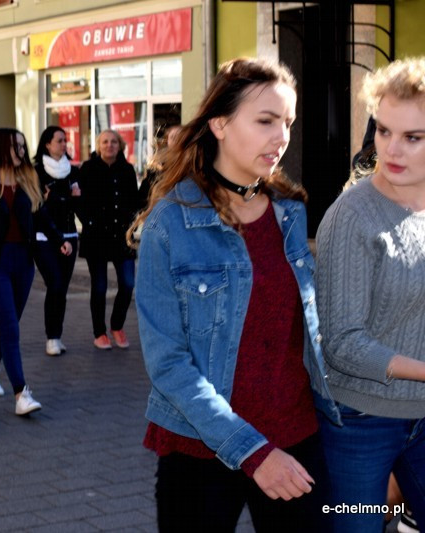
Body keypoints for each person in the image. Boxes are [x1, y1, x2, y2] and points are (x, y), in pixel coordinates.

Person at [132, 57, 337, 532]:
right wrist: (253, 452)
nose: (281, 136)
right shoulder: (170, 223)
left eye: (288, 122)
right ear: (220, 124)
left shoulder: (290, 212)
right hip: (198, 451)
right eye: (265, 121)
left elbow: (312, 335)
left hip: (294, 441)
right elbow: (168, 364)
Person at [315, 57, 425, 533]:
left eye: (413, 137)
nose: (391, 149)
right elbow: (341, 343)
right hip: (360, 421)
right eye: (383, 131)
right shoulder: (352, 216)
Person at [0, 128, 72, 414]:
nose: (22, 152)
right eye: (17, 147)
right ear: (3, 148)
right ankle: (21, 394)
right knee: (11, 327)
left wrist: (59, 240)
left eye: (24, 147)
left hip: (24, 263)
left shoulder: (28, 180)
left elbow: (41, 216)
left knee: (8, 323)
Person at [77, 129, 139, 350]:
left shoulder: (127, 169)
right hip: (97, 237)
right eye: (105, 142)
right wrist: (89, 221)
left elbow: (134, 200)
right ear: (98, 145)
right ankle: (99, 332)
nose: (109, 145)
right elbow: (79, 201)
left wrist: (131, 221)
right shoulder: (88, 168)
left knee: (128, 283)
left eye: (113, 142)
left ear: (120, 145)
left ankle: (117, 326)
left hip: (122, 236)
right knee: (100, 287)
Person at [32, 126, 81, 356]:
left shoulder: (73, 170)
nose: (64, 144)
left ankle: (57, 336)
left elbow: (78, 203)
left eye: (65, 140)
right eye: (59, 140)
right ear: (47, 144)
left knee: (62, 289)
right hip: (44, 237)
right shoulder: (36, 172)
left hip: (70, 234)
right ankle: (51, 337)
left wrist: (57, 198)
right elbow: (38, 206)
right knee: (55, 284)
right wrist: (65, 198)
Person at [138, 124, 181, 207]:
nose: (177, 140)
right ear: (167, 141)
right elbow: (142, 198)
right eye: (173, 137)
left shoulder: (194, 164)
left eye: (180, 137)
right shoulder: (157, 166)